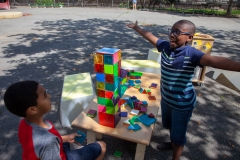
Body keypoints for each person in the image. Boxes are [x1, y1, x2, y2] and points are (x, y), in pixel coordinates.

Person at [126, 20, 240, 160]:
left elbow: (213, 61)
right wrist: (136, 27)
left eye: (177, 32)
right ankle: (172, 142)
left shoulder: (191, 54)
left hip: (182, 104)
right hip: (167, 99)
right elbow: (151, 36)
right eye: (172, 30)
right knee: (169, 125)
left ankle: (176, 153)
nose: (172, 35)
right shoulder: (166, 47)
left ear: (189, 37)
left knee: (178, 136)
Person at [3, 80, 106, 160]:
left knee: (73, 143)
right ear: (32, 110)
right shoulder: (48, 141)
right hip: (61, 156)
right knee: (101, 145)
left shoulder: (24, 124)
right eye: (44, 95)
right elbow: (49, 144)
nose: (49, 96)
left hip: (52, 151)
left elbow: (43, 144)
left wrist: (67, 137)